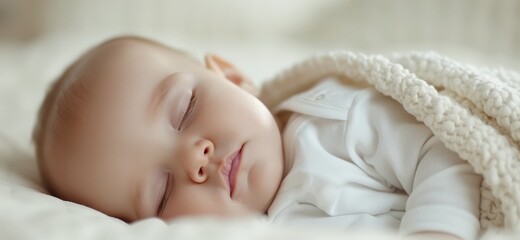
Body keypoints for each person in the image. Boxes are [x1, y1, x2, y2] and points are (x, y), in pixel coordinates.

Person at [33, 36, 481, 240]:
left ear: (233, 76)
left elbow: (445, 145)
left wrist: (436, 229)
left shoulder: (333, 120)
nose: (196, 159)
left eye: (185, 108)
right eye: (162, 191)